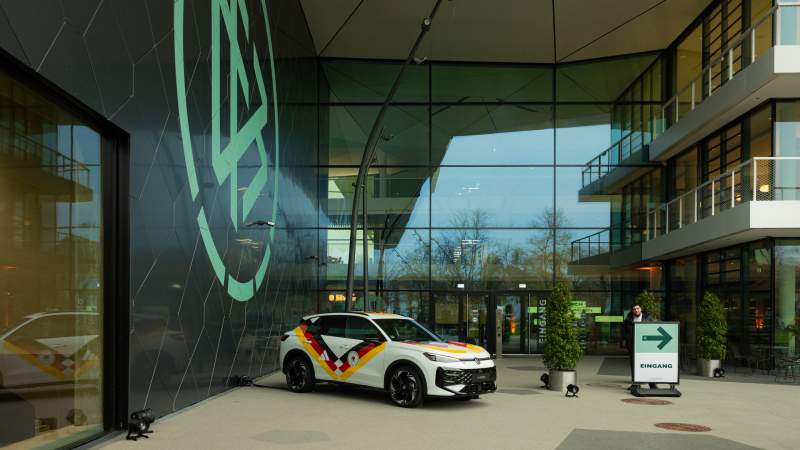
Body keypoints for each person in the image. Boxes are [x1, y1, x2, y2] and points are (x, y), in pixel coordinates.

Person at [621, 304, 657, 389]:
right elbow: (623, 332)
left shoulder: (648, 318)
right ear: (632, 310)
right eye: (634, 309)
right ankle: (635, 384)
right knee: (634, 365)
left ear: (641, 309)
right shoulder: (628, 320)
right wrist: (629, 338)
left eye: (638, 308)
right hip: (633, 346)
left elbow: (655, 329)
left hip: (646, 346)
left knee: (647, 365)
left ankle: (652, 384)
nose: (636, 310)